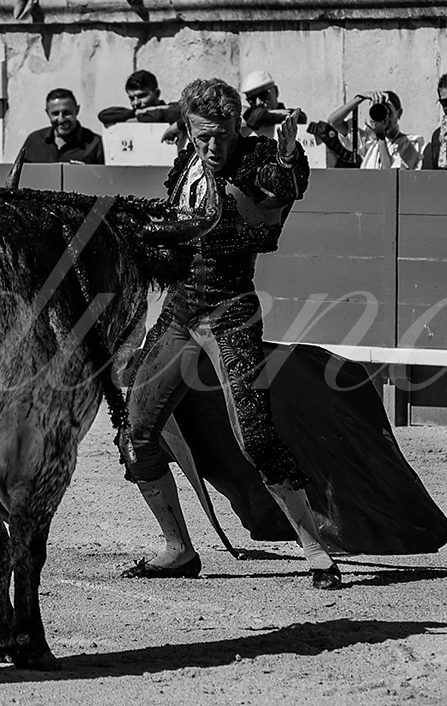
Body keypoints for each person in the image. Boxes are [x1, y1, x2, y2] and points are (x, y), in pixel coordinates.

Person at [118, 76, 341, 588]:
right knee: (135, 433)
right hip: (180, 311)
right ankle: (178, 549)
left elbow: (280, 186)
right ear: (188, 129)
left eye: (222, 134)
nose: (214, 146)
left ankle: (315, 551)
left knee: (256, 436)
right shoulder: (187, 163)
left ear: (237, 126)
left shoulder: (256, 157)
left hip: (229, 310)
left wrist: (289, 158)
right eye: (203, 136)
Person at [327, 89, 424, 168]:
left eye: (389, 112)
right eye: (382, 112)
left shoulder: (409, 143)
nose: (385, 117)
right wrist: (360, 98)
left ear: (399, 113)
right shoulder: (370, 141)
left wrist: (381, 137)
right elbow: (334, 122)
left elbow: (389, 174)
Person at [20, 87, 105, 162]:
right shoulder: (35, 141)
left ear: (77, 110)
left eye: (67, 113)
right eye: (55, 114)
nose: (61, 119)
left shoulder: (95, 145)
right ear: (47, 113)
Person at [98, 68, 179, 125]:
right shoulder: (136, 113)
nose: (136, 102)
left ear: (157, 93)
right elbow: (104, 115)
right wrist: (135, 113)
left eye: (141, 96)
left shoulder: (173, 109)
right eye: (132, 98)